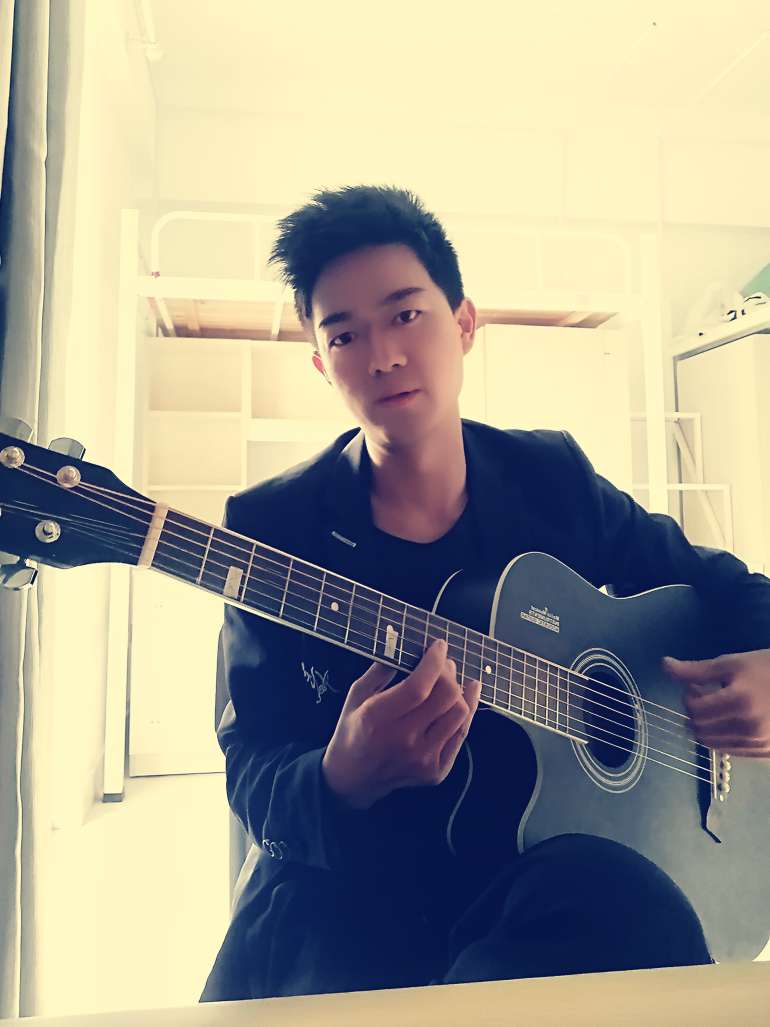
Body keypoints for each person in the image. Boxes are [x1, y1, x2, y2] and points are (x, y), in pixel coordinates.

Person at [200, 185, 770, 1003]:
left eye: (406, 315)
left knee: (652, 932)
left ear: (464, 324)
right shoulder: (271, 528)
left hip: (536, 875)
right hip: (354, 891)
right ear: (322, 363)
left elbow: (727, 587)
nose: (383, 356)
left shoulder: (550, 478)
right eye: (345, 334)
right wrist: (338, 777)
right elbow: (252, 765)